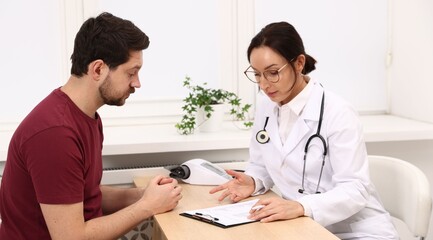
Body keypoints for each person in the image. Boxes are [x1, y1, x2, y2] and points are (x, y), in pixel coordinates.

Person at [0, 12, 182, 240]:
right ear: (97, 69)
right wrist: (147, 207)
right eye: (131, 73)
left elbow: (83, 196)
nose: (137, 83)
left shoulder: (86, 117)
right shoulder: (55, 134)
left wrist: (143, 196)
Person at [210, 22, 398, 239]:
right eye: (257, 74)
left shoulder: (337, 112)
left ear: (299, 63)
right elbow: (262, 163)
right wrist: (253, 181)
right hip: (303, 228)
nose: (264, 84)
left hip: (356, 230)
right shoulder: (266, 103)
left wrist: (301, 207)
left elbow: (355, 189)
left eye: (272, 73)